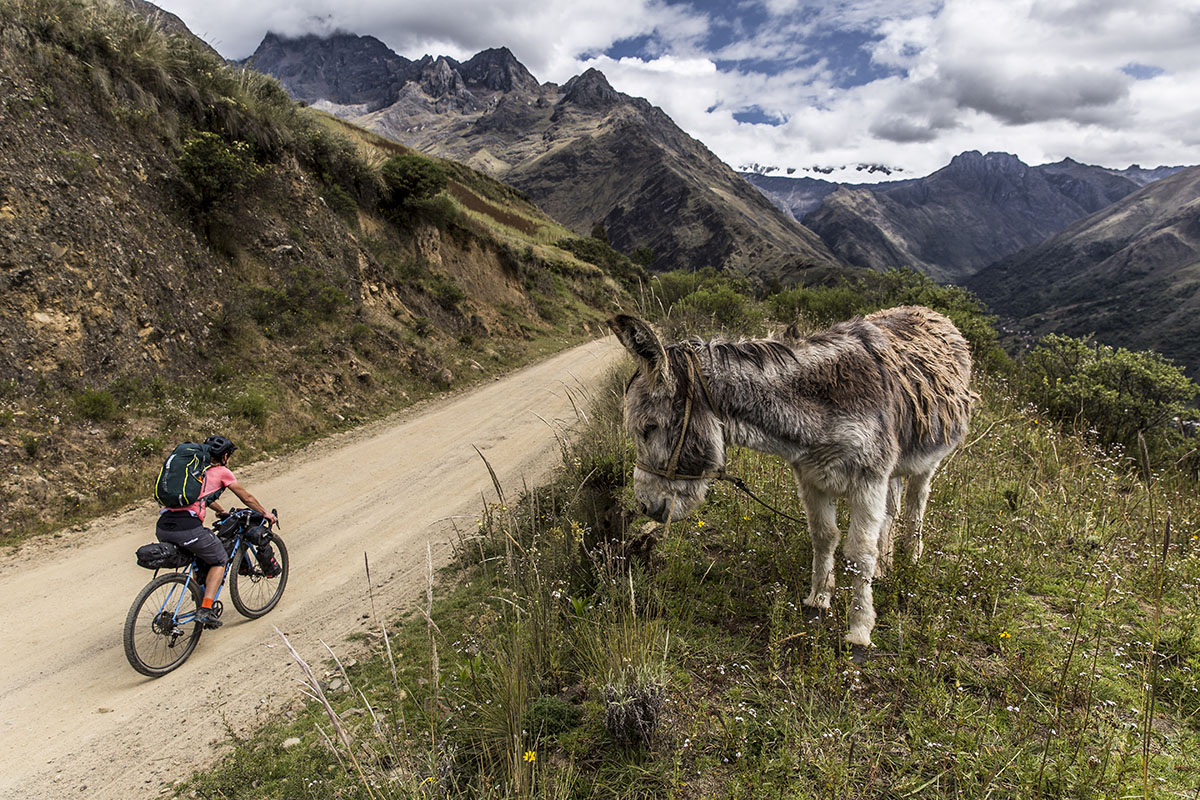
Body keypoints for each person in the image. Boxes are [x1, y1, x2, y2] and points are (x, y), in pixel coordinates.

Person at [155, 435, 277, 629]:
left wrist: (221, 511)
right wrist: (265, 513)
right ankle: (205, 609)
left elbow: (204, 496)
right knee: (219, 558)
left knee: (200, 554)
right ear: (225, 456)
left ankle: (199, 591)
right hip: (187, 527)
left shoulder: (193, 473)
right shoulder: (221, 472)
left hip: (163, 527)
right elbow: (246, 497)